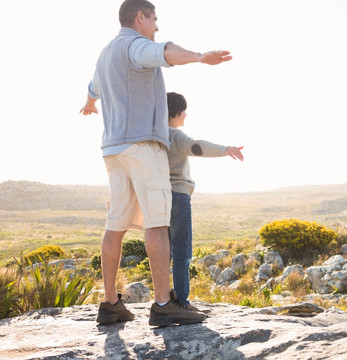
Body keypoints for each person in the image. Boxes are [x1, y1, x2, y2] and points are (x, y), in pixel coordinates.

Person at [79, 0, 232, 327]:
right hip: (142, 146)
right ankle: (163, 304)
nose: (157, 26)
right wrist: (199, 57)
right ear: (140, 17)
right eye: (154, 19)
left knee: (115, 224)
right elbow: (163, 52)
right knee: (157, 223)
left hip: (112, 149)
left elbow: (92, 88)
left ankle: (109, 304)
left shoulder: (105, 54)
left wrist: (89, 104)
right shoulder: (136, 45)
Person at [166, 92, 244, 310]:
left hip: (158, 197)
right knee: (182, 253)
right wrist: (225, 150)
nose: (186, 115)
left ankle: (163, 300)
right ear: (177, 113)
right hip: (178, 197)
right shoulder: (175, 135)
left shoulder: (155, 135)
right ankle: (182, 302)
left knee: (163, 252)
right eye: (184, 111)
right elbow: (196, 146)